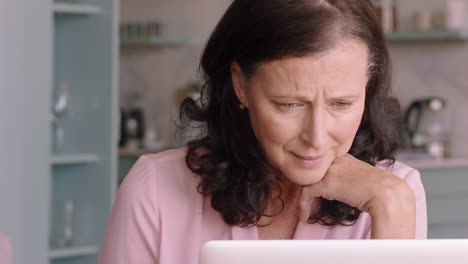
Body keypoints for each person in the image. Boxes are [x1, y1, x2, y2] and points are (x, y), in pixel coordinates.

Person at [99, 0, 427, 263]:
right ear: (241, 85)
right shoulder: (154, 188)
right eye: (289, 104)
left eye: (342, 104)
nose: (316, 137)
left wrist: (391, 206)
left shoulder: (394, 192)